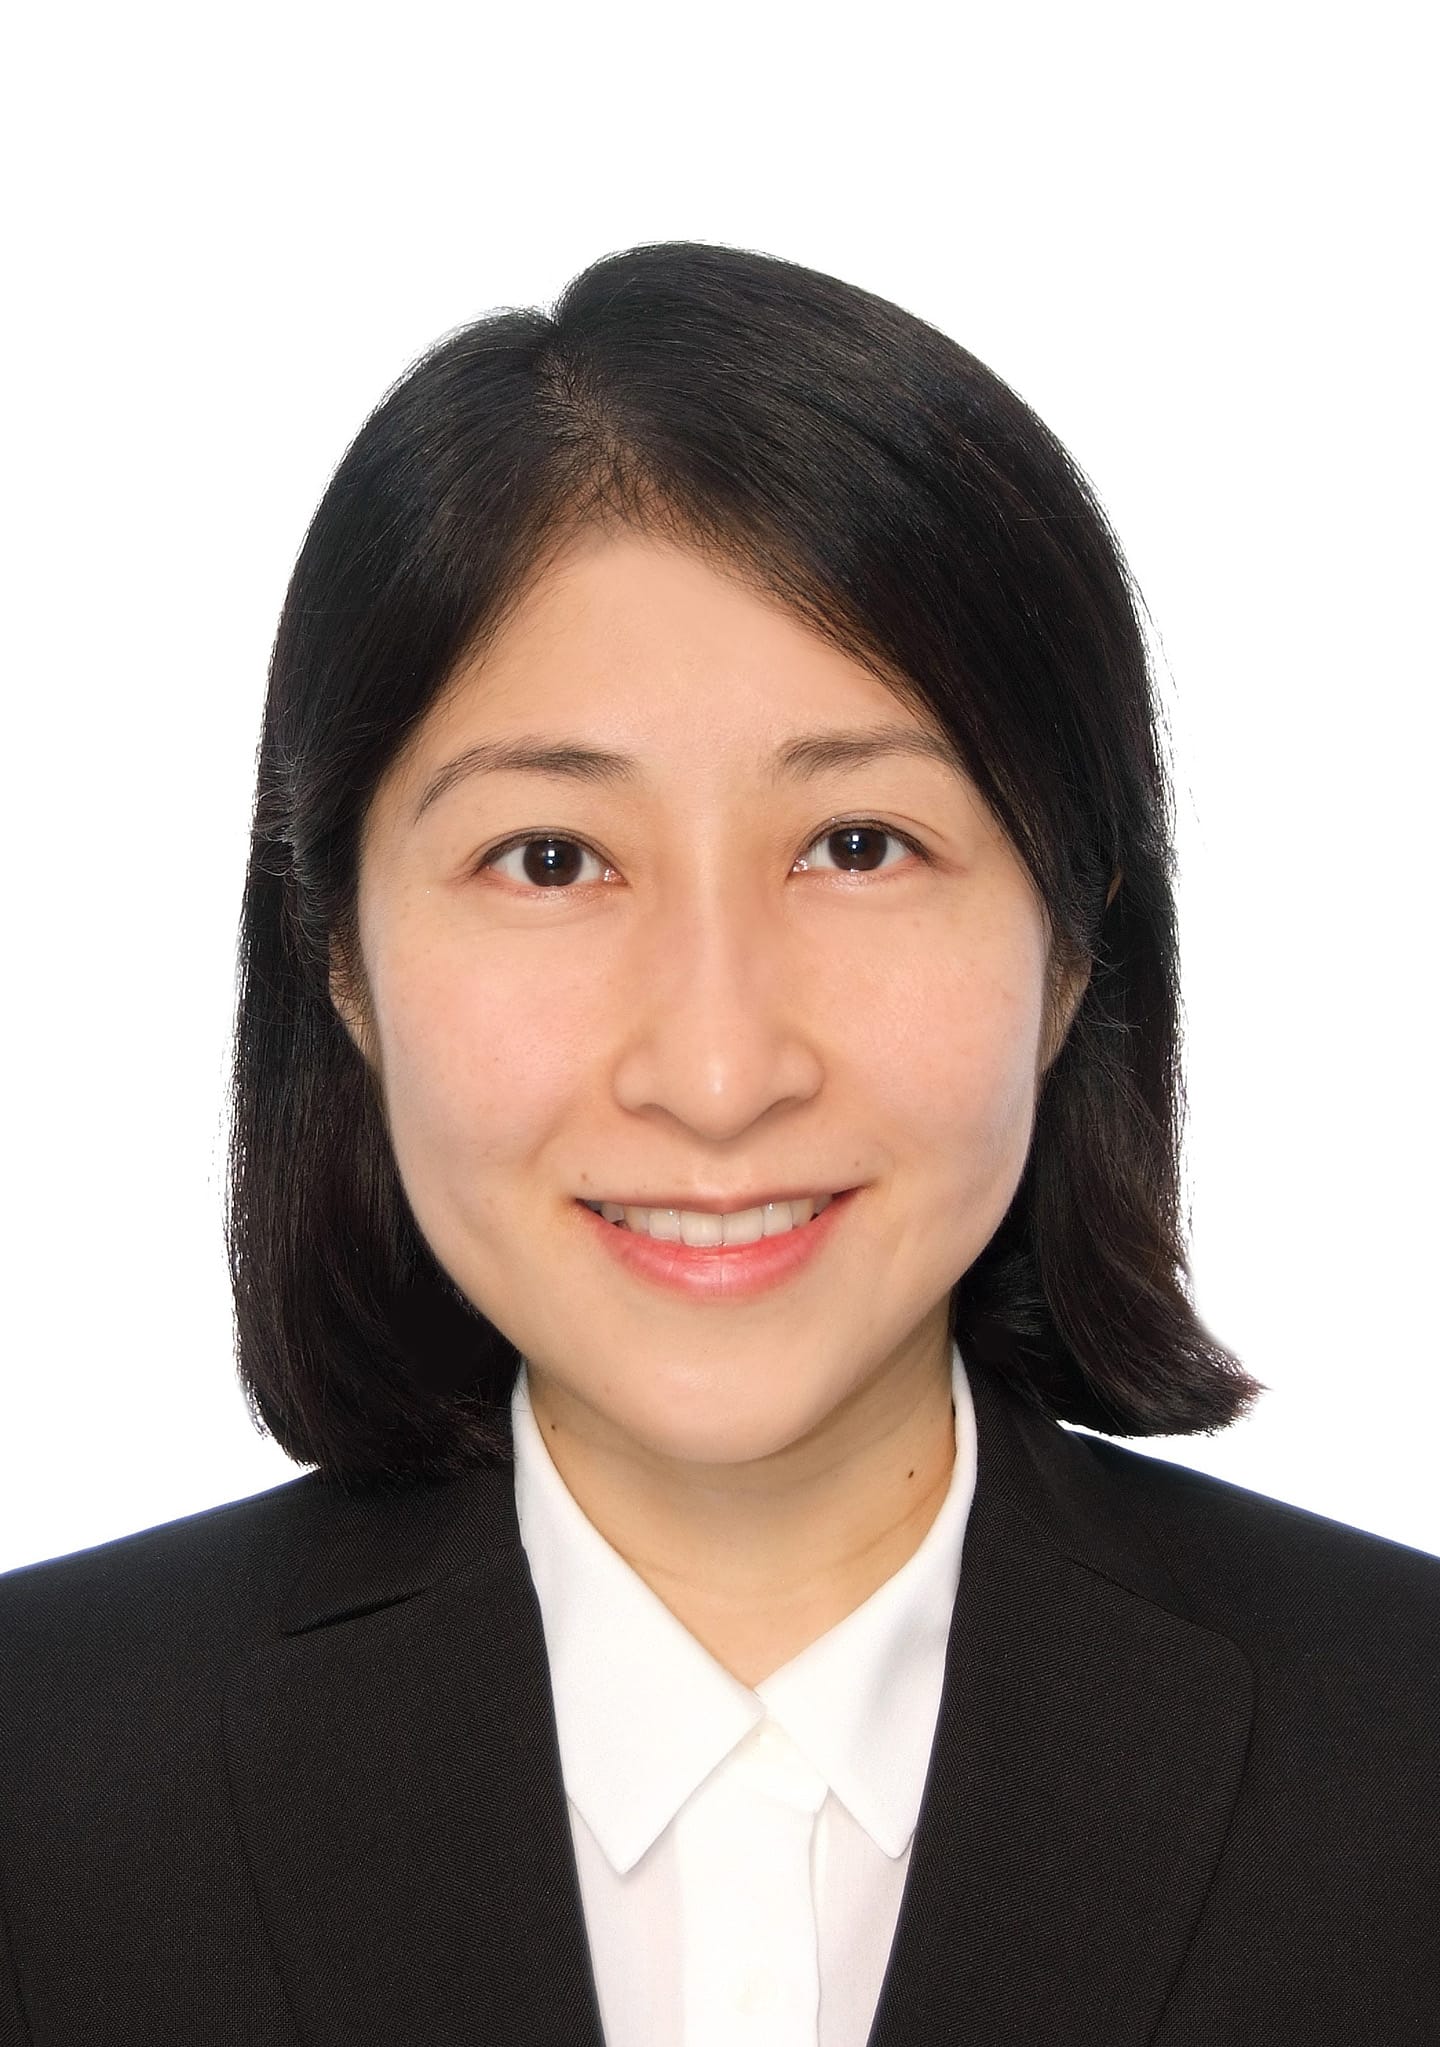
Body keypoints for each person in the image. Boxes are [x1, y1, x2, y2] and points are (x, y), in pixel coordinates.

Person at [0, 240, 1435, 2047]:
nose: (716, 1066)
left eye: (857, 845)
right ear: (339, 964)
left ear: (1075, 945)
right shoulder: (40, 1801)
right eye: (550, 859)